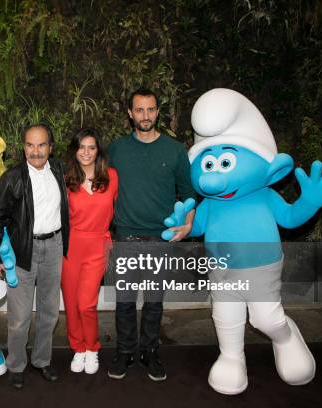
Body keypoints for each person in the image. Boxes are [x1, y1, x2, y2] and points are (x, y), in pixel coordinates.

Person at [107, 88, 196, 381]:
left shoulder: (175, 150)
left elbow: (188, 193)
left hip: (161, 240)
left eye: (150, 110)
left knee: (155, 302)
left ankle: (150, 352)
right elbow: (101, 189)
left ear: (157, 112)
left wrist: (188, 225)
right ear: (130, 113)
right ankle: (125, 352)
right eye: (139, 110)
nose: (145, 116)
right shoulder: (117, 149)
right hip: (125, 239)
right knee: (124, 303)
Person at [0, 123, 70, 389]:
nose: (36, 151)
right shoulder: (12, 177)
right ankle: (16, 364)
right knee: (20, 316)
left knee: (49, 312)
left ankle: (42, 361)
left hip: (54, 247)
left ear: (50, 147)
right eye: (30, 145)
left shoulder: (59, 171)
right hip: (23, 251)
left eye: (42, 144)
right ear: (23, 148)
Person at [62, 128, 118, 375]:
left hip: (98, 244)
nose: (86, 152)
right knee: (72, 303)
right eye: (81, 147)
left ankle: (92, 348)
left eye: (91, 147)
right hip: (70, 245)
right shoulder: (65, 179)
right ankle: (79, 348)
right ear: (75, 150)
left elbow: (122, 209)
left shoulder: (112, 177)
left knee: (86, 303)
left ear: (98, 151)